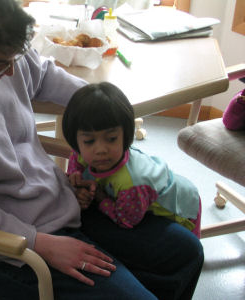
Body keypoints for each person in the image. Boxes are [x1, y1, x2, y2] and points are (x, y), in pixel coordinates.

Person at [0, 0, 203, 299]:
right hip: (0, 252)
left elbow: (42, 75)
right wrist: (42, 245)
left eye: (15, 59)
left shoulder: (1, 57)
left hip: (58, 206)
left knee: (186, 253)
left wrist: (104, 104)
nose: (11, 73)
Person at [62, 82, 202, 238]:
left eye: (111, 139)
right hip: (150, 193)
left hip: (183, 207)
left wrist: (100, 197)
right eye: (89, 141)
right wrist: (76, 177)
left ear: (126, 136)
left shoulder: (133, 183)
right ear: (76, 141)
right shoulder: (81, 153)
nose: (101, 149)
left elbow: (125, 220)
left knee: (185, 252)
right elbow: (76, 160)